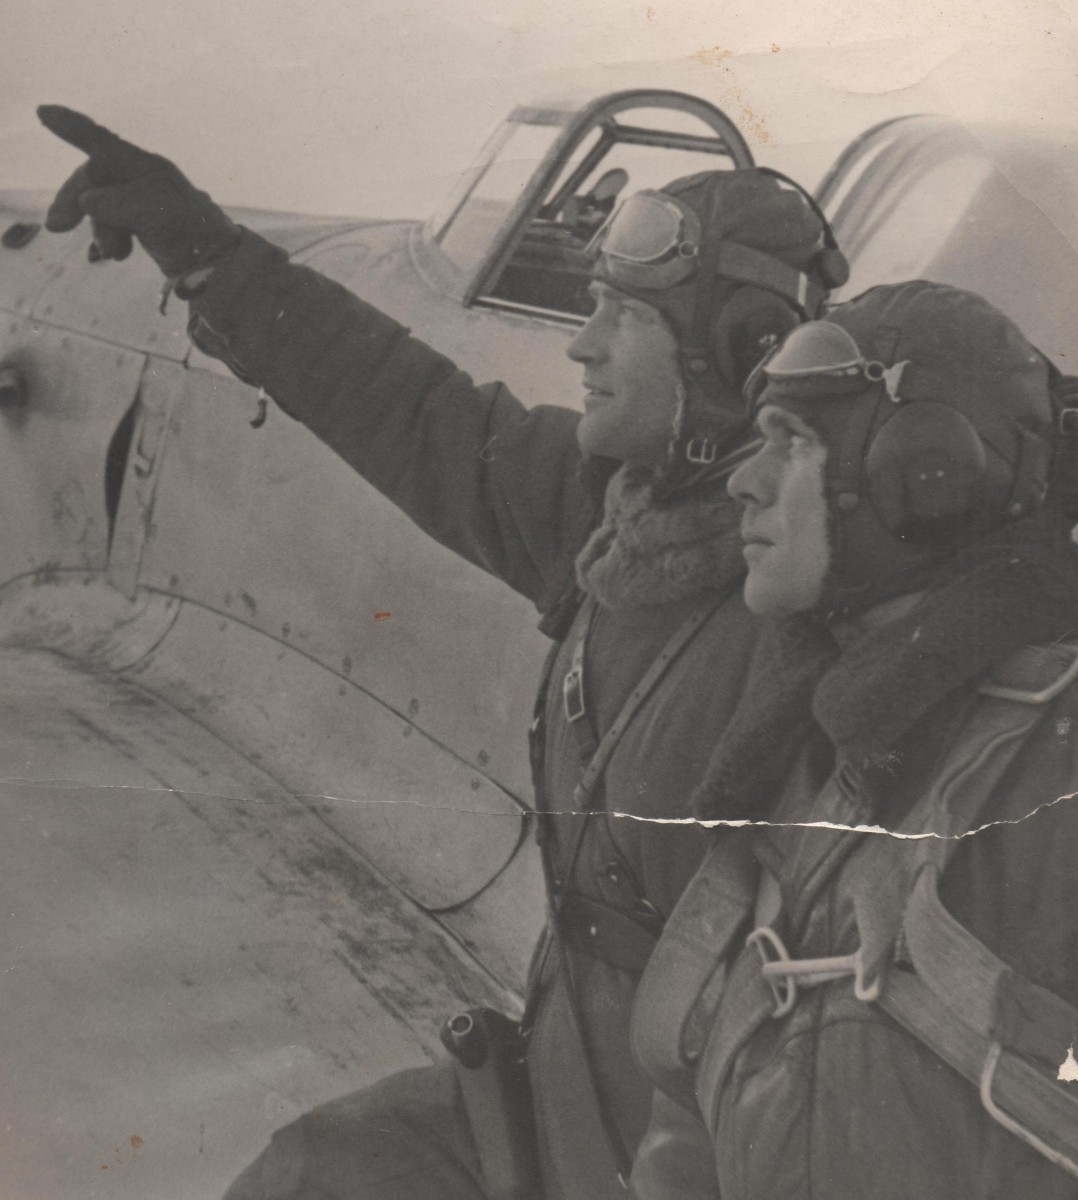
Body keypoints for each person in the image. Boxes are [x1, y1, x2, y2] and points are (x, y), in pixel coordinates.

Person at [36, 106, 847, 1199]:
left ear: (734, 358)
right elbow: (415, 412)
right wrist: (206, 253)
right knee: (311, 1171)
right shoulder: (628, 523)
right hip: (560, 1101)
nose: (581, 345)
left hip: (671, 1155)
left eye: (622, 318)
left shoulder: (814, 623)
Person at [627, 281, 1078, 1199]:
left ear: (923, 479)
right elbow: (692, 1118)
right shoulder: (814, 737)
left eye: (791, 443)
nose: (745, 478)